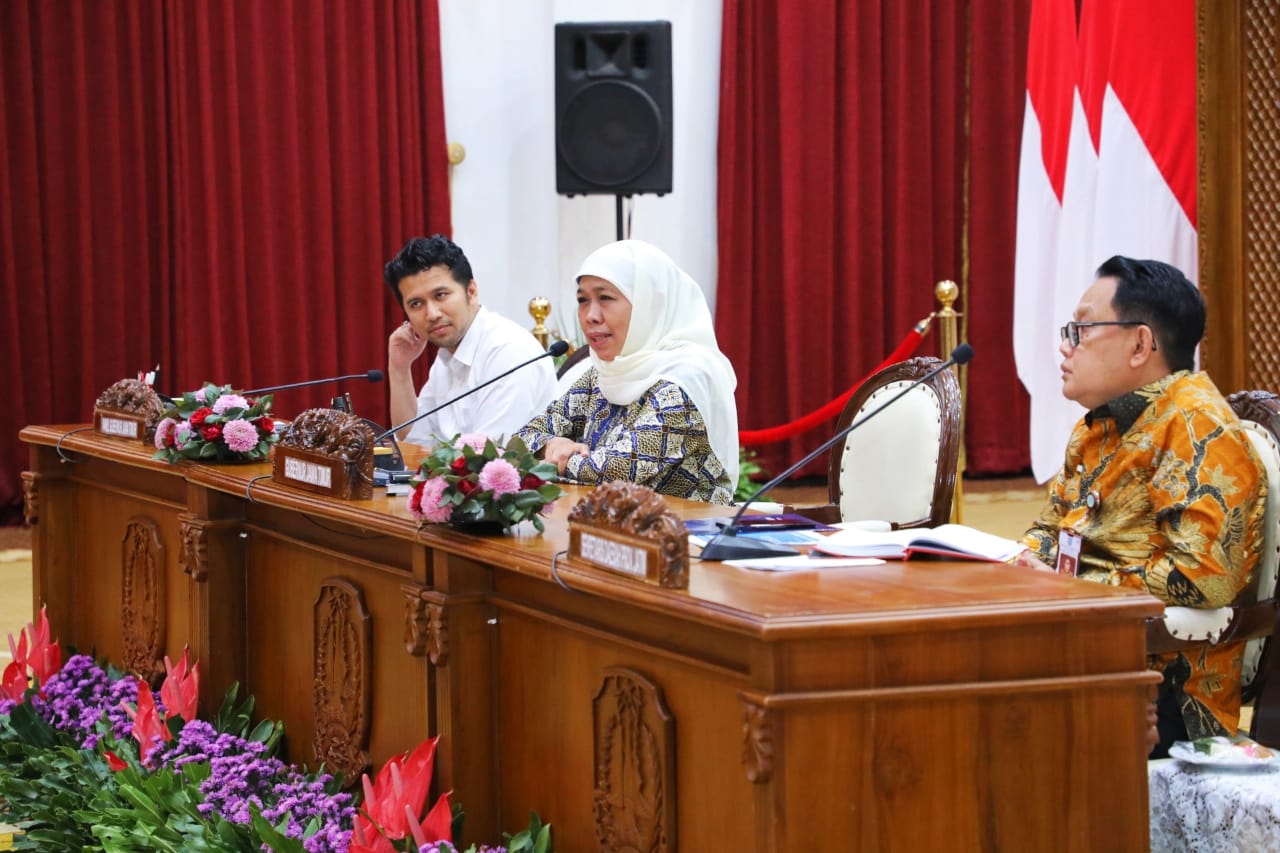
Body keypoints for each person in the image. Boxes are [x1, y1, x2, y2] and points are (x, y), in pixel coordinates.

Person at [1011, 255, 1265, 758]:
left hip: (1163, 685)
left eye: (1082, 329)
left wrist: (1070, 587)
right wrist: (1017, 564)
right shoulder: (1099, 426)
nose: (1066, 345)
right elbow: (1049, 532)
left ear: (1141, 344)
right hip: (1083, 643)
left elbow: (1201, 578)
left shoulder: (1198, 428)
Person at [515, 240, 739, 504]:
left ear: (649, 303)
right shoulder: (601, 373)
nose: (590, 316)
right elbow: (523, 440)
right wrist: (550, 446)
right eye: (582, 300)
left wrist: (549, 459)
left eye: (606, 298)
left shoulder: (687, 376)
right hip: (611, 533)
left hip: (686, 536)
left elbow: (617, 470)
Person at [384, 235, 557, 445]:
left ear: (471, 292)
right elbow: (413, 441)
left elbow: (486, 457)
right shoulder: (446, 358)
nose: (432, 314)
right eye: (416, 304)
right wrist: (399, 368)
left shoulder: (508, 351)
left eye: (440, 295)